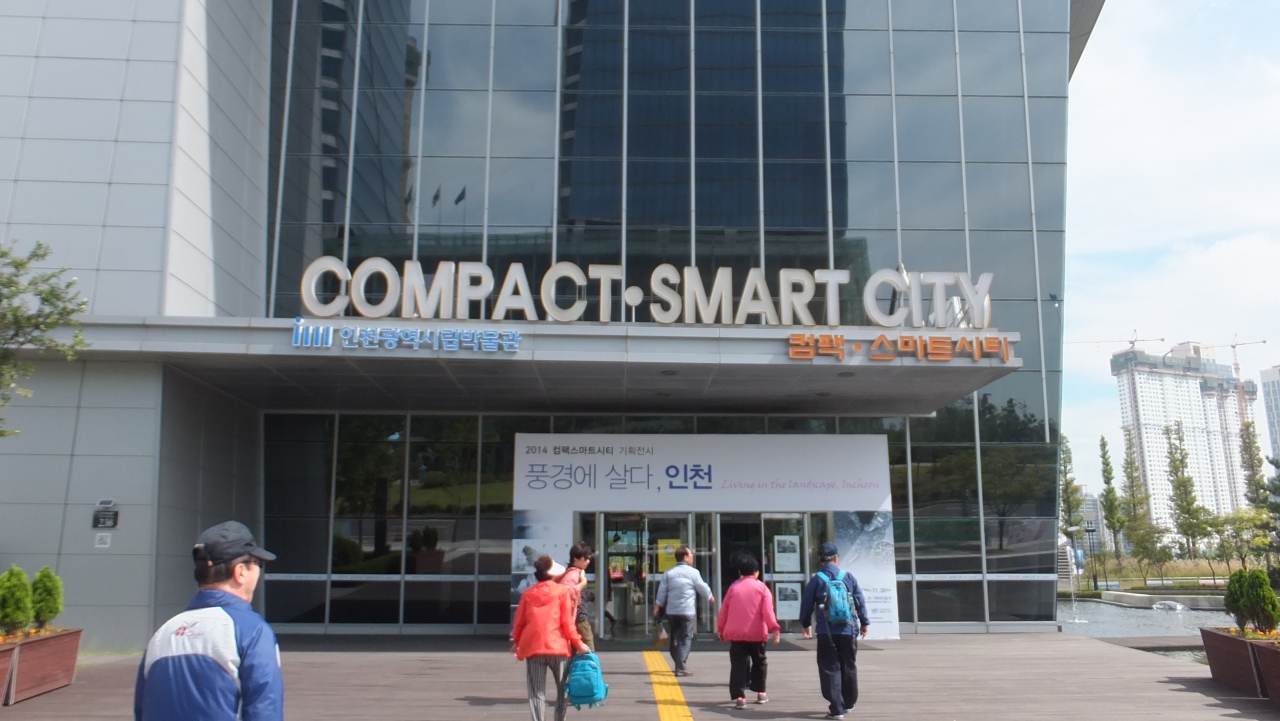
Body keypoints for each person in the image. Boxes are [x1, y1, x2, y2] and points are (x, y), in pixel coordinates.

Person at [134, 521, 282, 721]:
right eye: (258, 564)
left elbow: (142, 710)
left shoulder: (163, 633)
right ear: (240, 571)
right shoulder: (252, 630)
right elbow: (264, 710)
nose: (259, 572)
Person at [512, 555, 591, 721]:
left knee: (536, 692)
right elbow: (567, 623)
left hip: (534, 648)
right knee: (563, 689)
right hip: (558, 648)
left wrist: (517, 642)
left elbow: (519, 624)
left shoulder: (527, 594)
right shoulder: (561, 592)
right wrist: (579, 643)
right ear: (553, 574)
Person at [799, 542, 869, 721]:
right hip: (848, 630)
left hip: (826, 631)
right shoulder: (848, 577)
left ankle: (836, 708)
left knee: (830, 668)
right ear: (836, 558)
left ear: (820, 560)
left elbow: (807, 604)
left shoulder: (817, 579)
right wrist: (864, 622)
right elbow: (859, 601)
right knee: (848, 666)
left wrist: (805, 624)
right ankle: (849, 703)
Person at [716, 554, 780, 710]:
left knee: (738, 664)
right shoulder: (762, 588)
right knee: (759, 661)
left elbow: (724, 611)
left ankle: (740, 697)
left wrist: (721, 629)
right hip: (757, 634)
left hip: (737, 635)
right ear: (757, 572)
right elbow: (768, 612)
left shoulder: (733, 588)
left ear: (740, 572)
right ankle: (760, 692)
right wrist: (775, 629)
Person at [653, 545, 714, 676]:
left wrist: (658, 605)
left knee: (675, 638)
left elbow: (662, 591)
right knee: (686, 638)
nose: (692, 557)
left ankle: (679, 664)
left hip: (672, 611)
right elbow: (702, 586)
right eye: (690, 555)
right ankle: (680, 666)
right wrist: (709, 596)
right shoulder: (693, 572)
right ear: (685, 557)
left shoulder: (668, 573)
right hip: (687, 611)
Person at [559, 542, 594, 650]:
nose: (588, 561)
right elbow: (567, 594)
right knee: (589, 652)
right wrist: (583, 583)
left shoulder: (574, 573)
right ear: (575, 558)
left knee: (576, 652)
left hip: (574, 619)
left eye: (589, 558)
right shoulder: (573, 574)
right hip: (579, 619)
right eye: (585, 558)